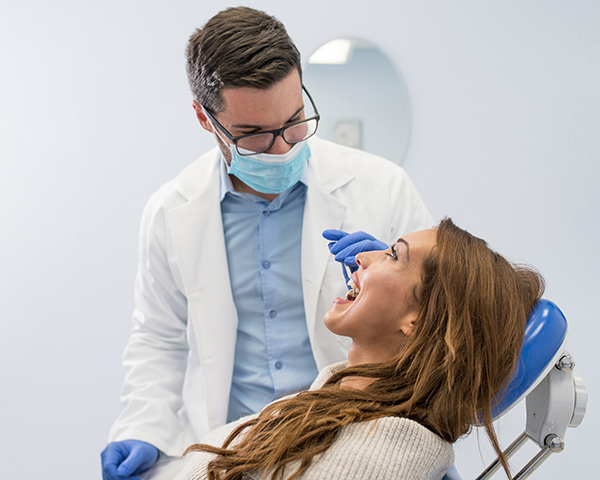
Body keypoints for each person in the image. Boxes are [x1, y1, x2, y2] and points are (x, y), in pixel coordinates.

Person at [101, 6, 433, 480]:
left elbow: (441, 323)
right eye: (254, 136)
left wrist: (404, 279)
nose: (283, 149)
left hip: (355, 438)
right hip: (234, 448)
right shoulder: (169, 213)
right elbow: (160, 336)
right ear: (204, 118)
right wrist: (143, 427)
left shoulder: (383, 187)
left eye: (295, 121)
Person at [175, 218, 545, 480]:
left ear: (418, 320)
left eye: (392, 255)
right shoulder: (332, 402)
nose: (361, 258)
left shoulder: (378, 454)